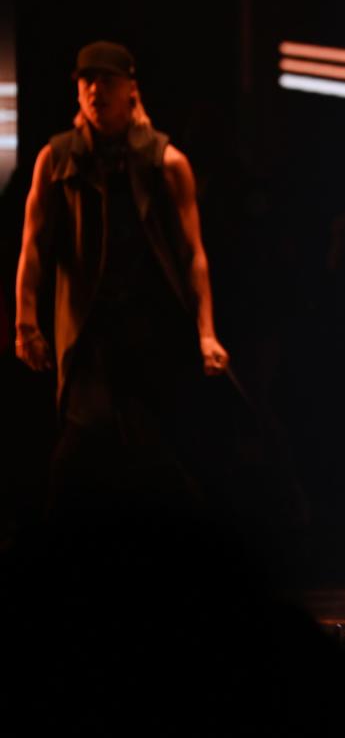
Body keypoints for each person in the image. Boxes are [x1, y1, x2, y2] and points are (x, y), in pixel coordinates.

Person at [14, 41, 229, 508]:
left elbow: (194, 253)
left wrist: (206, 333)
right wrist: (25, 322)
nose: (95, 90)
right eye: (86, 81)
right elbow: (33, 246)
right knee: (80, 455)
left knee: (157, 458)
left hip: (150, 331)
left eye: (107, 80)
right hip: (90, 337)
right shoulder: (58, 159)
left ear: (131, 89)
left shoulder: (164, 162)